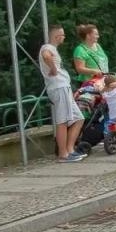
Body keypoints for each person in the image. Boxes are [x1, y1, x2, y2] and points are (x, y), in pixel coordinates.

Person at [40, 25, 85, 163]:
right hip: (58, 86)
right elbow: (46, 56)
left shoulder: (54, 49)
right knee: (62, 121)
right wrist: (53, 68)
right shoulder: (47, 47)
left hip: (64, 86)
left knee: (79, 118)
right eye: (62, 35)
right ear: (56, 36)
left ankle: (70, 149)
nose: (64, 37)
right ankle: (63, 154)